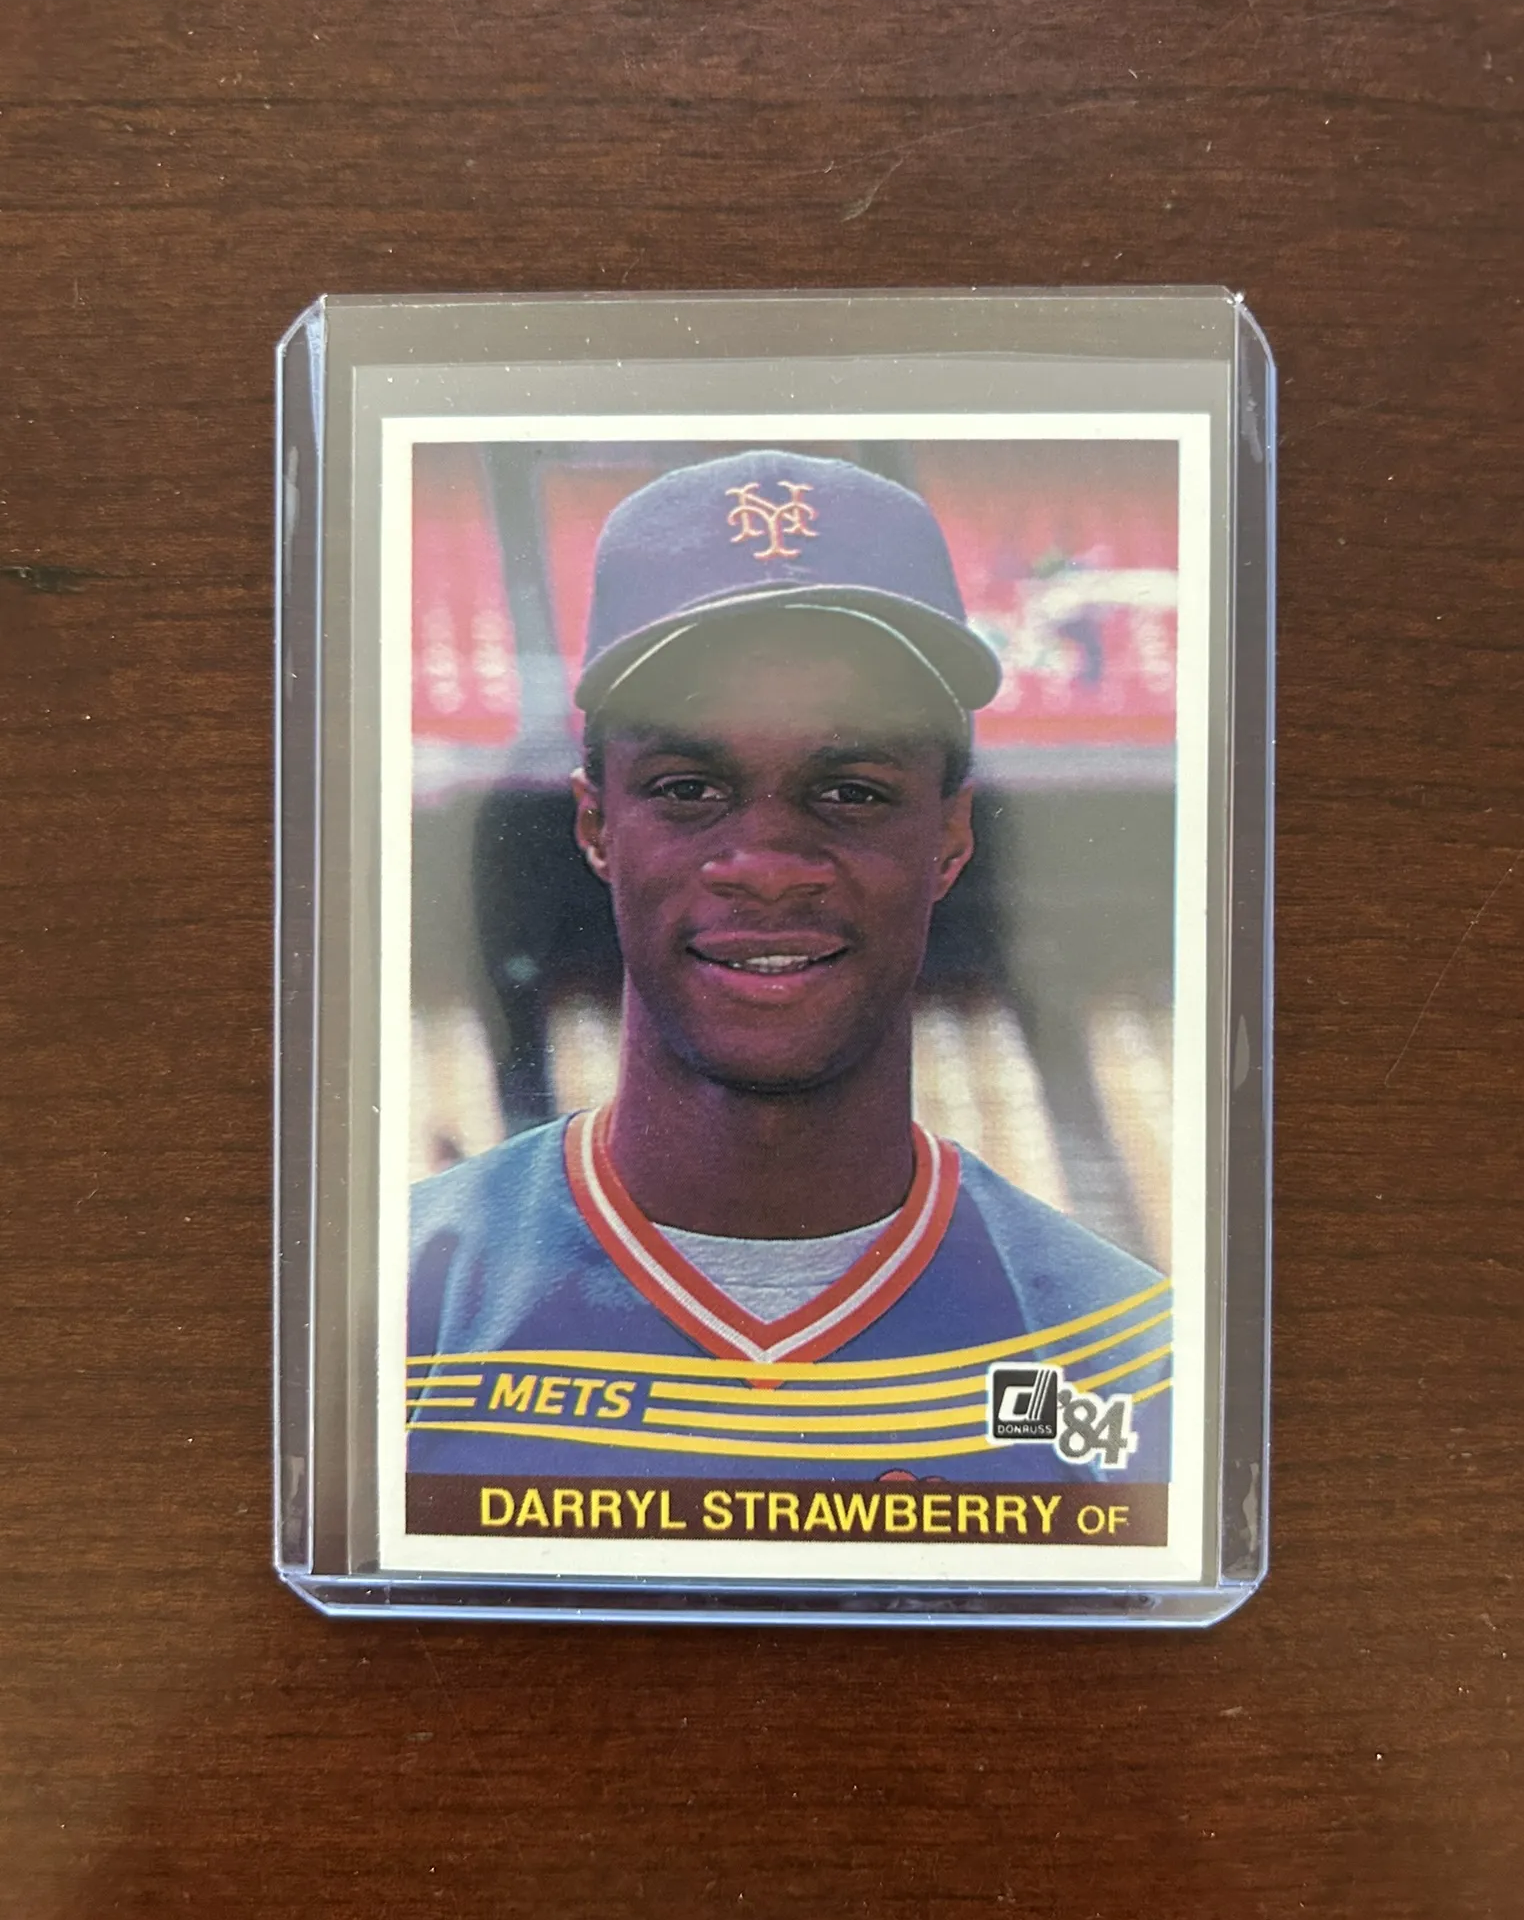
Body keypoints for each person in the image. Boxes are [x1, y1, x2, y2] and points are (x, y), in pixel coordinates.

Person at [407, 450, 1171, 1487]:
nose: (766, 866)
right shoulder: (397, 1320)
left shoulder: (1127, 1365)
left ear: (950, 834)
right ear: (595, 825)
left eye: (851, 791)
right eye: (688, 787)